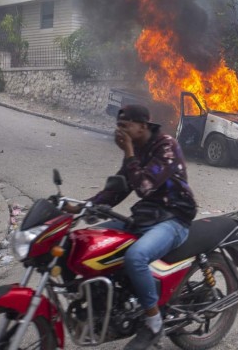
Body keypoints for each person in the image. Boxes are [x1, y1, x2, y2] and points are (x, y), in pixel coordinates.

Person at [66, 104, 197, 350]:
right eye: (118, 126)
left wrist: (128, 152)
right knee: (90, 241)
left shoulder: (166, 146)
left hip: (175, 218)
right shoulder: (137, 148)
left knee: (135, 257)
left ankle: (154, 322)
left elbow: (144, 186)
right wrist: (83, 207)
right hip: (147, 216)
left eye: (125, 126)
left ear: (143, 126)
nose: (120, 131)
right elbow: (120, 187)